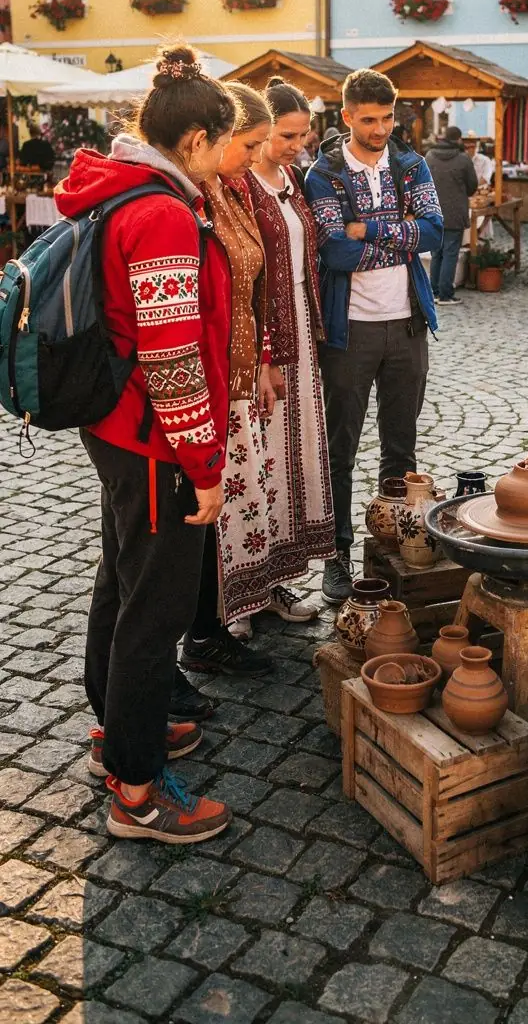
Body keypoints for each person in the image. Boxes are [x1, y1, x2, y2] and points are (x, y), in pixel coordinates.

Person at [56, 43, 235, 844]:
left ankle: (118, 728)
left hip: (117, 426)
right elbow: (172, 358)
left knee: (121, 582)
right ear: (195, 140)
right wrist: (205, 465)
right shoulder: (160, 212)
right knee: (153, 612)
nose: (225, 160)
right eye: (223, 144)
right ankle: (136, 791)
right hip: (156, 443)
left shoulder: (120, 189)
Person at [305, 68, 443, 603]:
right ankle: (336, 555)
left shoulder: (411, 165)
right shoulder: (324, 174)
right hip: (350, 330)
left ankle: (393, 546)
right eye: (368, 120)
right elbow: (335, 251)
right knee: (339, 450)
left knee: (401, 447)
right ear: (346, 117)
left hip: (408, 324)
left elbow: (435, 231)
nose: (381, 129)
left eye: (387, 118)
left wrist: (370, 229)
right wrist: (401, 236)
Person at [180, 83, 281, 668]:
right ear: (213, 141)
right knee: (206, 516)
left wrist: (262, 359)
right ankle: (201, 632)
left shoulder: (230, 191)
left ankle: (216, 622)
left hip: (236, 376)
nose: (255, 155)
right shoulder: (196, 200)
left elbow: (249, 290)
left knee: (230, 511)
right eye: (248, 144)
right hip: (210, 381)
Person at [243, 76, 335, 621]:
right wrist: (261, 355)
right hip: (262, 339)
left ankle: (276, 579)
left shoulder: (293, 180)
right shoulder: (240, 185)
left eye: (303, 136)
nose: (298, 146)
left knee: (291, 462)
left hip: (300, 328)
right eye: (287, 136)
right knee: (259, 462)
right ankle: (242, 594)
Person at [425, 125, 478, 304]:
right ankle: (445, 294)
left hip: (433, 213)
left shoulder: (429, 156)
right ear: (458, 139)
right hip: (455, 213)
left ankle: (434, 292)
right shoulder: (463, 159)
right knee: (450, 254)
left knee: (436, 254)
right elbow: (472, 186)